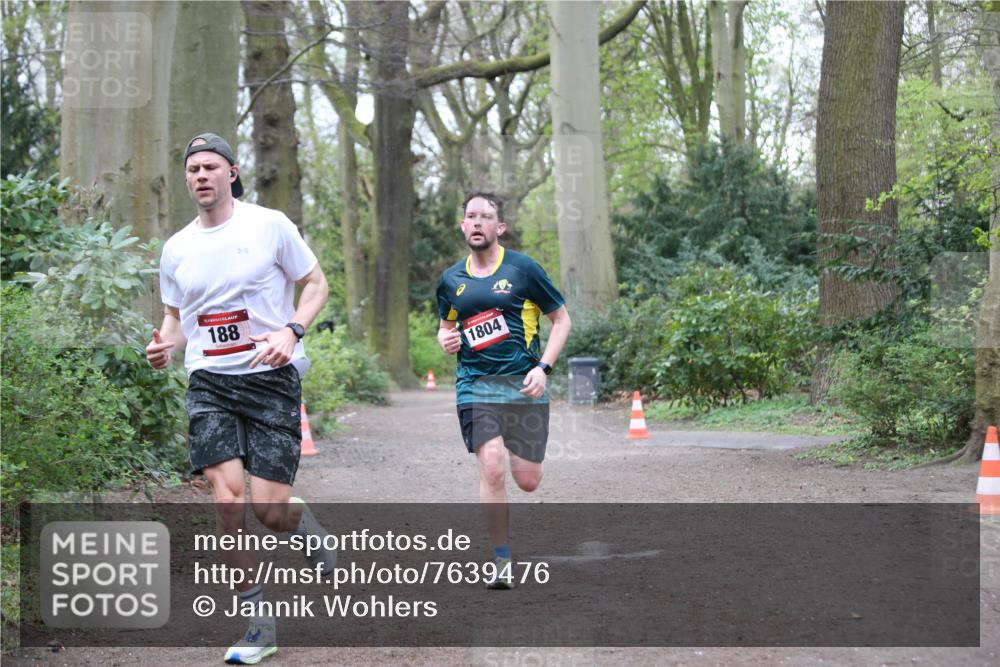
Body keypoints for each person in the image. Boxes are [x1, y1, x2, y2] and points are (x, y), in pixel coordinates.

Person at [146, 132, 333, 664]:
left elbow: (316, 283)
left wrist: (292, 331)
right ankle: (258, 624)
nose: (200, 175)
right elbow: (178, 317)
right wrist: (164, 345)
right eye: (192, 169)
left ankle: (303, 524)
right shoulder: (177, 247)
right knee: (228, 503)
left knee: (269, 512)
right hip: (209, 382)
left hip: (270, 377)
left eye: (210, 166)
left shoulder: (269, 225)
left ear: (232, 172)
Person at [436, 192, 571, 589]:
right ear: (463, 226)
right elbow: (446, 327)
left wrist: (544, 368)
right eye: (470, 216)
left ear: (500, 227)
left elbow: (562, 320)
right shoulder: (451, 280)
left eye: (486, 217)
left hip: (524, 387)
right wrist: (445, 339)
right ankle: (501, 559)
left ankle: (519, 447)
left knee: (528, 481)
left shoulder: (524, 269)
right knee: (491, 464)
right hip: (475, 386)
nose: (477, 222)